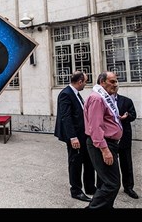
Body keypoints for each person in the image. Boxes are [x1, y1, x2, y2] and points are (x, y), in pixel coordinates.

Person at [54, 71, 96, 202]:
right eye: (85, 81)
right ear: (80, 82)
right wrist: (72, 137)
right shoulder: (66, 94)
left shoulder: (76, 94)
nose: (86, 84)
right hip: (75, 136)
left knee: (89, 161)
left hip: (83, 135)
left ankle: (90, 187)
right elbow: (66, 117)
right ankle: (76, 190)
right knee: (75, 163)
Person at [84, 71, 123, 208]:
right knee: (112, 184)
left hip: (108, 143)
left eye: (116, 81)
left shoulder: (104, 97)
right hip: (102, 144)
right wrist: (105, 150)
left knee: (105, 182)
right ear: (102, 82)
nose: (115, 85)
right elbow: (95, 127)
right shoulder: (97, 98)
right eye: (112, 82)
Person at [114, 88, 139, 199]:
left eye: (115, 85)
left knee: (126, 163)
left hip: (124, 137)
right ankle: (107, 187)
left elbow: (133, 115)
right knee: (109, 164)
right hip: (109, 138)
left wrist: (126, 117)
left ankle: (128, 187)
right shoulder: (101, 101)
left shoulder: (126, 101)